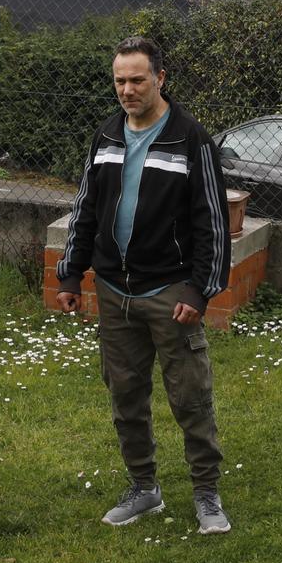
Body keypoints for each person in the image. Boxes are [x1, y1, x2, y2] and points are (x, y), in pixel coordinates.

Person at [55, 35, 233, 535]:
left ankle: (206, 495)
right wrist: (71, 274)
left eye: (137, 79)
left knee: (190, 398)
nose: (127, 90)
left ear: (160, 79)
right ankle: (143, 488)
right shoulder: (106, 137)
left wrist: (200, 291)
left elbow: (213, 224)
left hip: (171, 294)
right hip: (114, 293)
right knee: (126, 396)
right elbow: (85, 210)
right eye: (119, 81)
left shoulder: (190, 139)